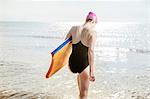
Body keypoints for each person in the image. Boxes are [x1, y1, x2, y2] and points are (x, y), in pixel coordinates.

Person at [65, 12, 97, 99]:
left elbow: (65, 45)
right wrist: (91, 71)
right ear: (93, 22)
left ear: (86, 19)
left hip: (72, 63)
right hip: (83, 64)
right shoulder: (92, 32)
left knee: (80, 92)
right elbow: (91, 51)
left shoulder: (73, 28)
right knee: (84, 95)